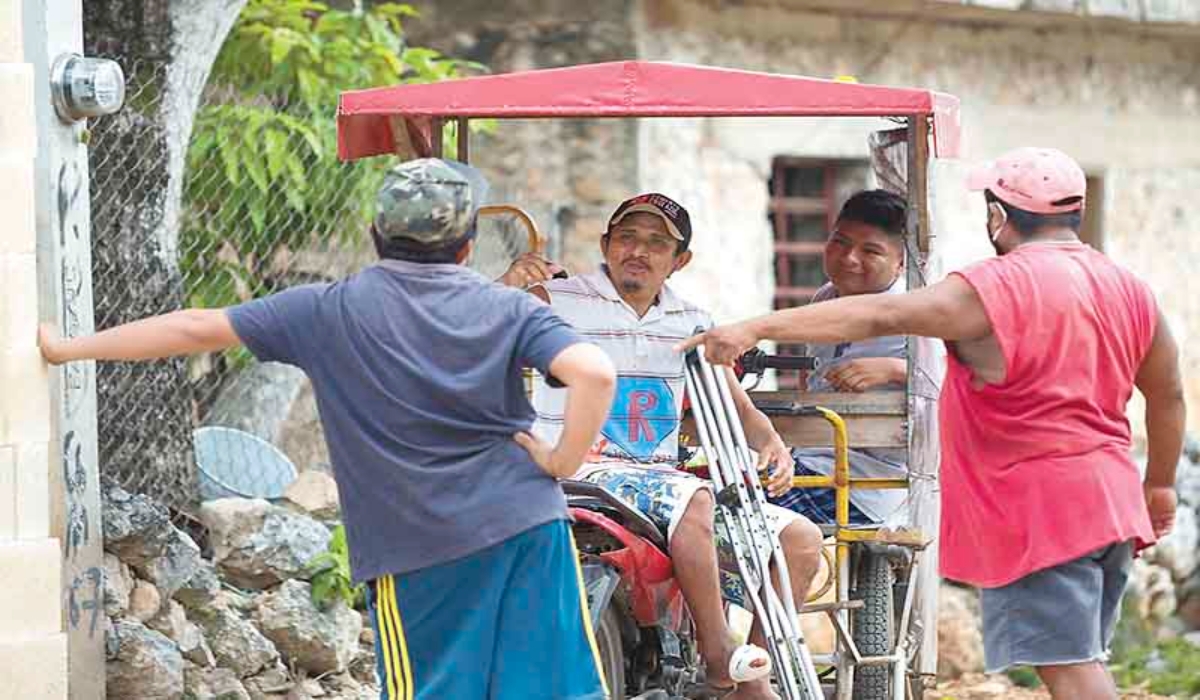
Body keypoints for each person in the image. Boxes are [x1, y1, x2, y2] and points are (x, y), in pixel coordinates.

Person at [40, 158, 618, 700]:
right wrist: (561, 462)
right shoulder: (511, 308)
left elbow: (192, 329)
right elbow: (593, 373)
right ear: (467, 246)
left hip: (421, 546)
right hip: (528, 526)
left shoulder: (326, 309)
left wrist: (68, 349)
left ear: (374, 232)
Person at [680, 147, 1185, 700]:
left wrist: (753, 328)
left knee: (1068, 667)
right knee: (1077, 659)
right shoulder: (1130, 288)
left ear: (997, 215)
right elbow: (1168, 395)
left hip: (1043, 507)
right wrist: (1158, 485)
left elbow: (882, 312)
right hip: (1109, 498)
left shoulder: (996, 287)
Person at [500, 192, 824, 700]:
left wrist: (772, 444)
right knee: (693, 497)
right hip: (579, 470)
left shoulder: (692, 321)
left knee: (801, 539)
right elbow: (474, 325)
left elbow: (739, 406)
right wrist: (506, 285)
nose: (638, 251)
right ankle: (721, 662)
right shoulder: (556, 298)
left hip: (657, 485)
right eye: (627, 238)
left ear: (679, 261)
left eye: (656, 243)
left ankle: (752, 678)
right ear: (606, 244)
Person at [771, 189, 911, 526]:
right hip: (811, 460)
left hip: (869, 482)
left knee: (745, 520)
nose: (849, 258)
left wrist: (893, 369)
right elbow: (812, 376)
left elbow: (961, 381)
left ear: (901, 262)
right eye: (840, 242)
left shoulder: (915, 309)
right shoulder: (824, 298)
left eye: (871, 251)